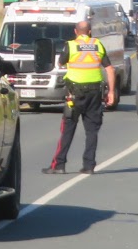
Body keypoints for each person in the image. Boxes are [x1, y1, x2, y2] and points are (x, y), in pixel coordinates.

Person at [43, 18, 118, 175]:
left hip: (74, 94)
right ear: (90, 32)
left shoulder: (71, 45)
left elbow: (60, 63)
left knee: (68, 128)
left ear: (76, 32)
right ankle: (89, 166)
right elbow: (110, 69)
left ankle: (59, 165)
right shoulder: (98, 44)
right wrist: (111, 92)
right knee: (92, 130)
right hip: (95, 93)